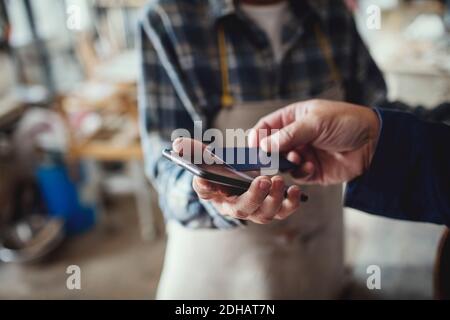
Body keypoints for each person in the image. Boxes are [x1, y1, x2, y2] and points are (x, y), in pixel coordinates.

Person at [138, 0, 388, 299]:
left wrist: (394, 132)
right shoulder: (168, 18)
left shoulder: (332, 11)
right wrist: (208, 193)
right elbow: (165, 168)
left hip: (320, 268)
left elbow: (379, 118)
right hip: (218, 281)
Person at [239, 99, 449, 226]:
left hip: (328, 245)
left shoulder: (337, 26)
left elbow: (377, 99)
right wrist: (371, 145)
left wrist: (371, 147)